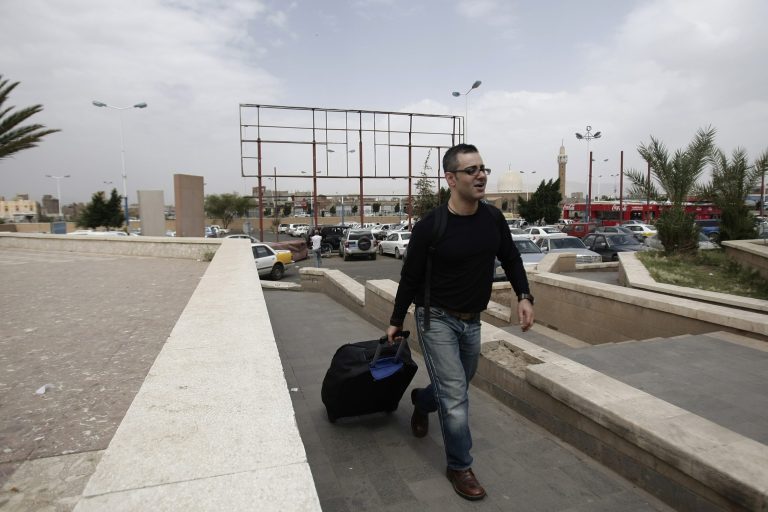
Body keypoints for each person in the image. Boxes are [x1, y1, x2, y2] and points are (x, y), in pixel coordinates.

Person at [386, 143, 534, 501]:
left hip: (472, 320)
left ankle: (422, 401)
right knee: (455, 395)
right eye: (471, 170)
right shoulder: (431, 226)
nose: (480, 175)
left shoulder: (493, 219)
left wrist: (524, 296)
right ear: (451, 179)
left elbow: (511, 258)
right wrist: (396, 319)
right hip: (435, 318)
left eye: (482, 168)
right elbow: (410, 277)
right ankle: (459, 466)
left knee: (456, 386)